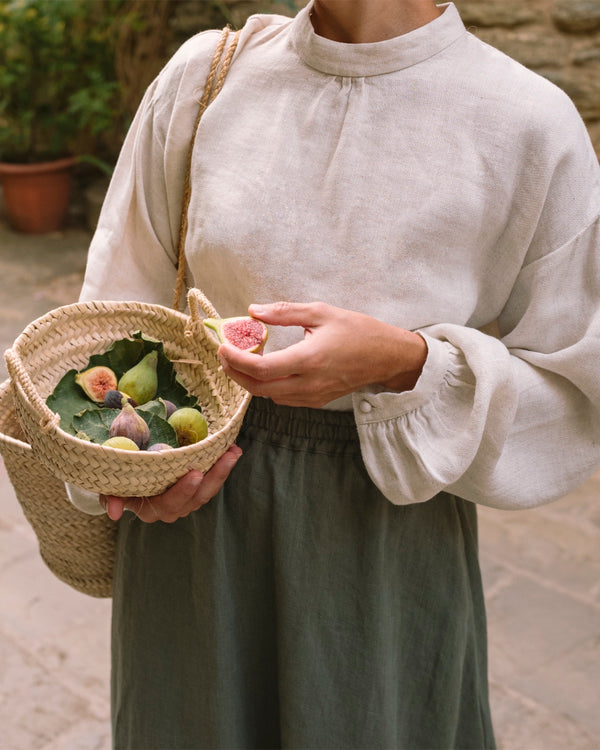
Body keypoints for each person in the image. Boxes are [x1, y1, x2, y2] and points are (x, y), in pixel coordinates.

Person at [68, 0, 600, 747]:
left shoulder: (527, 124)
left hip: (383, 543)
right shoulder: (206, 79)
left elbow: (577, 395)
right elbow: (113, 316)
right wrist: (123, 466)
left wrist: (409, 365)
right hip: (193, 521)